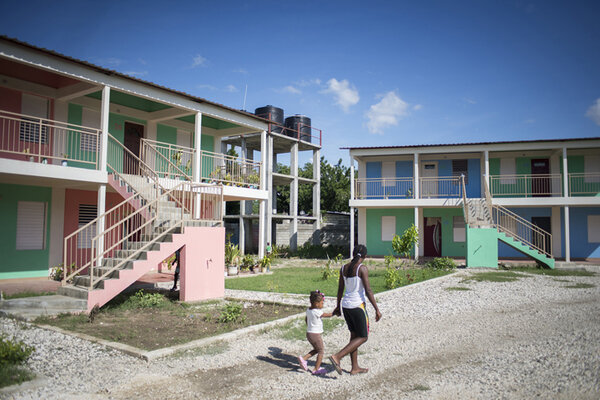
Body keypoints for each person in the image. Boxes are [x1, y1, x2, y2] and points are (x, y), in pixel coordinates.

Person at [328, 244, 382, 375]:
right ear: (364, 256)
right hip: (357, 306)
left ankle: (355, 367)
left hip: (346, 306)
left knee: (354, 336)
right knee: (363, 337)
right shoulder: (362, 269)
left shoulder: (343, 268)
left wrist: (337, 306)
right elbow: (368, 290)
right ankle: (337, 357)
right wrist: (377, 309)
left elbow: (340, 289)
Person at [297, 290, 333, 375]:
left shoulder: (308, 310)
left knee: (316, 349)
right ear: (317, 304)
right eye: (322, 303)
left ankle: (303, 359)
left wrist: (309, 325)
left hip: (309, 333)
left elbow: (306, 319)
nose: (322, 305)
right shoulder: (317, 311)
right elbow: (327, 315)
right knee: (321, 351)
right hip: (315, 335)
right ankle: (316, 369)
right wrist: (335, 313)